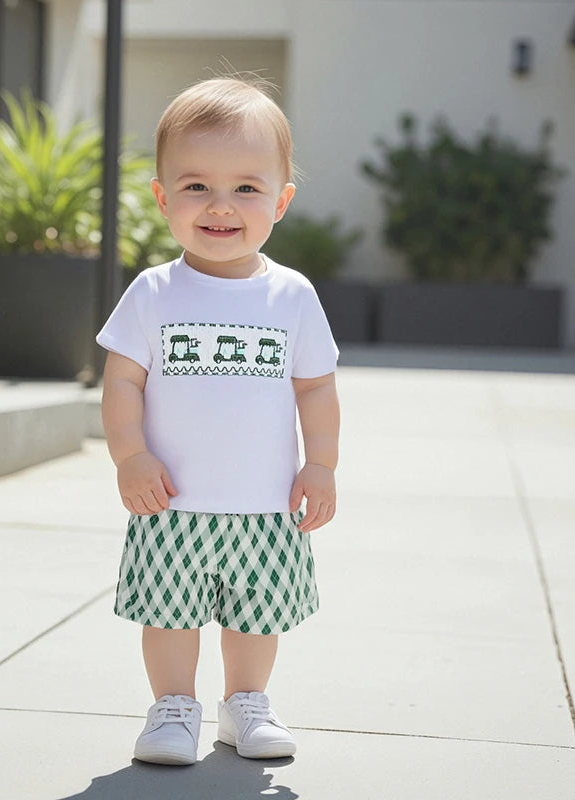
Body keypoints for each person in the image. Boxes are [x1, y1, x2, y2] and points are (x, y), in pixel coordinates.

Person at [97, 76, 340, 766]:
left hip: (266, 506)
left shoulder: (290, 296)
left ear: (281, 200)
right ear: (163, 197)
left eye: (246, 188)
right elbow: (122, 383)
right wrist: (129, 457)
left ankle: (246, 703)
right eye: (197, 186)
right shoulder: (154, 292)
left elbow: (317, 389)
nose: (221, 206)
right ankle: (173, 707)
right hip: (169, 500)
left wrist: (320, 463)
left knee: (256, 616)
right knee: (168, 614)